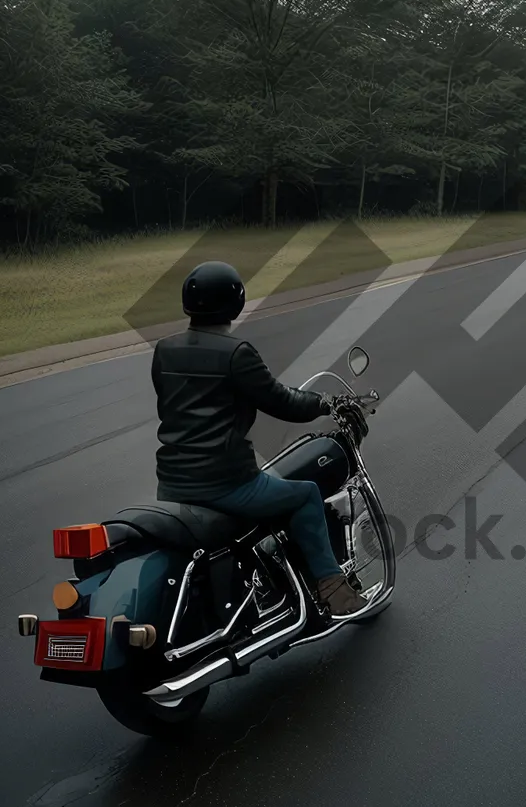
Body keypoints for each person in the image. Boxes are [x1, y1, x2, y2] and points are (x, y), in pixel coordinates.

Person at [151, 260, 367, 618]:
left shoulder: (165, 349)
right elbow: (281, 401)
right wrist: (324, 403)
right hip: (226, 483)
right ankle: (334, 590)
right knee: (305, 495)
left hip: (172, 485)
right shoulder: (237, 354)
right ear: (235, 302)